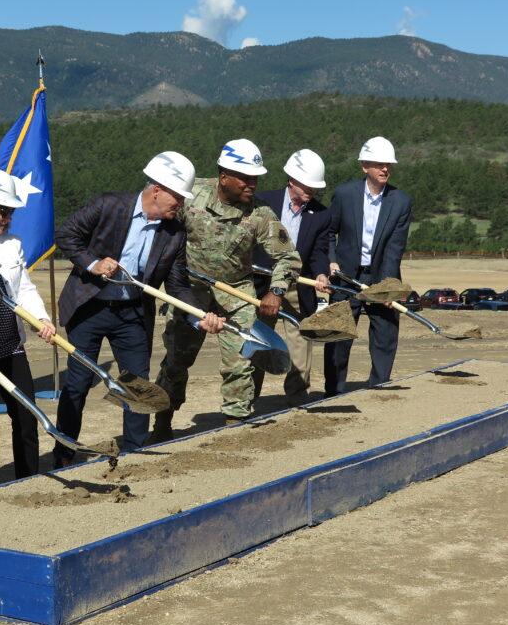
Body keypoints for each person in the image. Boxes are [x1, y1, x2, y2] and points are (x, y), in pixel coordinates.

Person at [53, 152, 225, 467]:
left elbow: (178, 286)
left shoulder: (175, 233)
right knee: (77, 383)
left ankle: (135, 454)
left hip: (132, 316)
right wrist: (93, 263)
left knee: (138, 386)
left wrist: (198, 317)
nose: (181, 205)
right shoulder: (108, 206)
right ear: (157, 189)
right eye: (178, 196)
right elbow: (66, 235)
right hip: (89, 308)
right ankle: (64, 454)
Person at [153, 139, 301, 439]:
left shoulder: (260, 214)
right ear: (224, 176)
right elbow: (163, 229)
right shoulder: (192, 197)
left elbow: (289, 257)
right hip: (190, 294)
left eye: (255, 178)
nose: (252, 184)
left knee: (242, 361)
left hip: (237, 295)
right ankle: (162, 424)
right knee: (176, 363)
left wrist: (276, 291)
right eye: (245, 178)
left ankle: (235, 429)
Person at [0, 168, 56, 490]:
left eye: (11, 213)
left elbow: (23, 288)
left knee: (26, 413)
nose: (7, 219)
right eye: (2, 212)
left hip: (9, 341)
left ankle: (27, 481)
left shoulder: (12, 244)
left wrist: (41, 319)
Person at [323, 136, 412, 396]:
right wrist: (331, 259)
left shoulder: (401, 202)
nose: (385, 169)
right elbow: (329, 232)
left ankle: (380, 386)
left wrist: (387, 286)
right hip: (345, 276)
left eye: (388, 165)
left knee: (385, 332)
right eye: (379, 164)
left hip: (381, 274)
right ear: (364, 166)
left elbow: (396, 248)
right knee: (338, 334)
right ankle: (333, 392)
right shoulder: (344, 194)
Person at [252, 149, 333, 405]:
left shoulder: (322, 214)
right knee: (257, 338)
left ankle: (297, 396)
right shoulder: (263, 202)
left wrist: (320, 272)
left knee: (300, 340)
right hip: (263, 283)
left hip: (297, 285)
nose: (312, 191)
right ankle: (248, 397)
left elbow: (319, 251)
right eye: (308, 185)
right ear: (292, 179)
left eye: (315, 188)